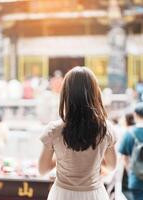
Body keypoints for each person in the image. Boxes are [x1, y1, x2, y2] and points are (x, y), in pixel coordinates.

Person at [38, 67, 117, 200]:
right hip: (94, 194)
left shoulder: (54, 130)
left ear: (65, 94)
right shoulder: (105, 128)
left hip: (62, 194)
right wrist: (95, 161)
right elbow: (111, 165)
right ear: (95, 93)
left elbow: (42, 169)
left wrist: (61, 158)